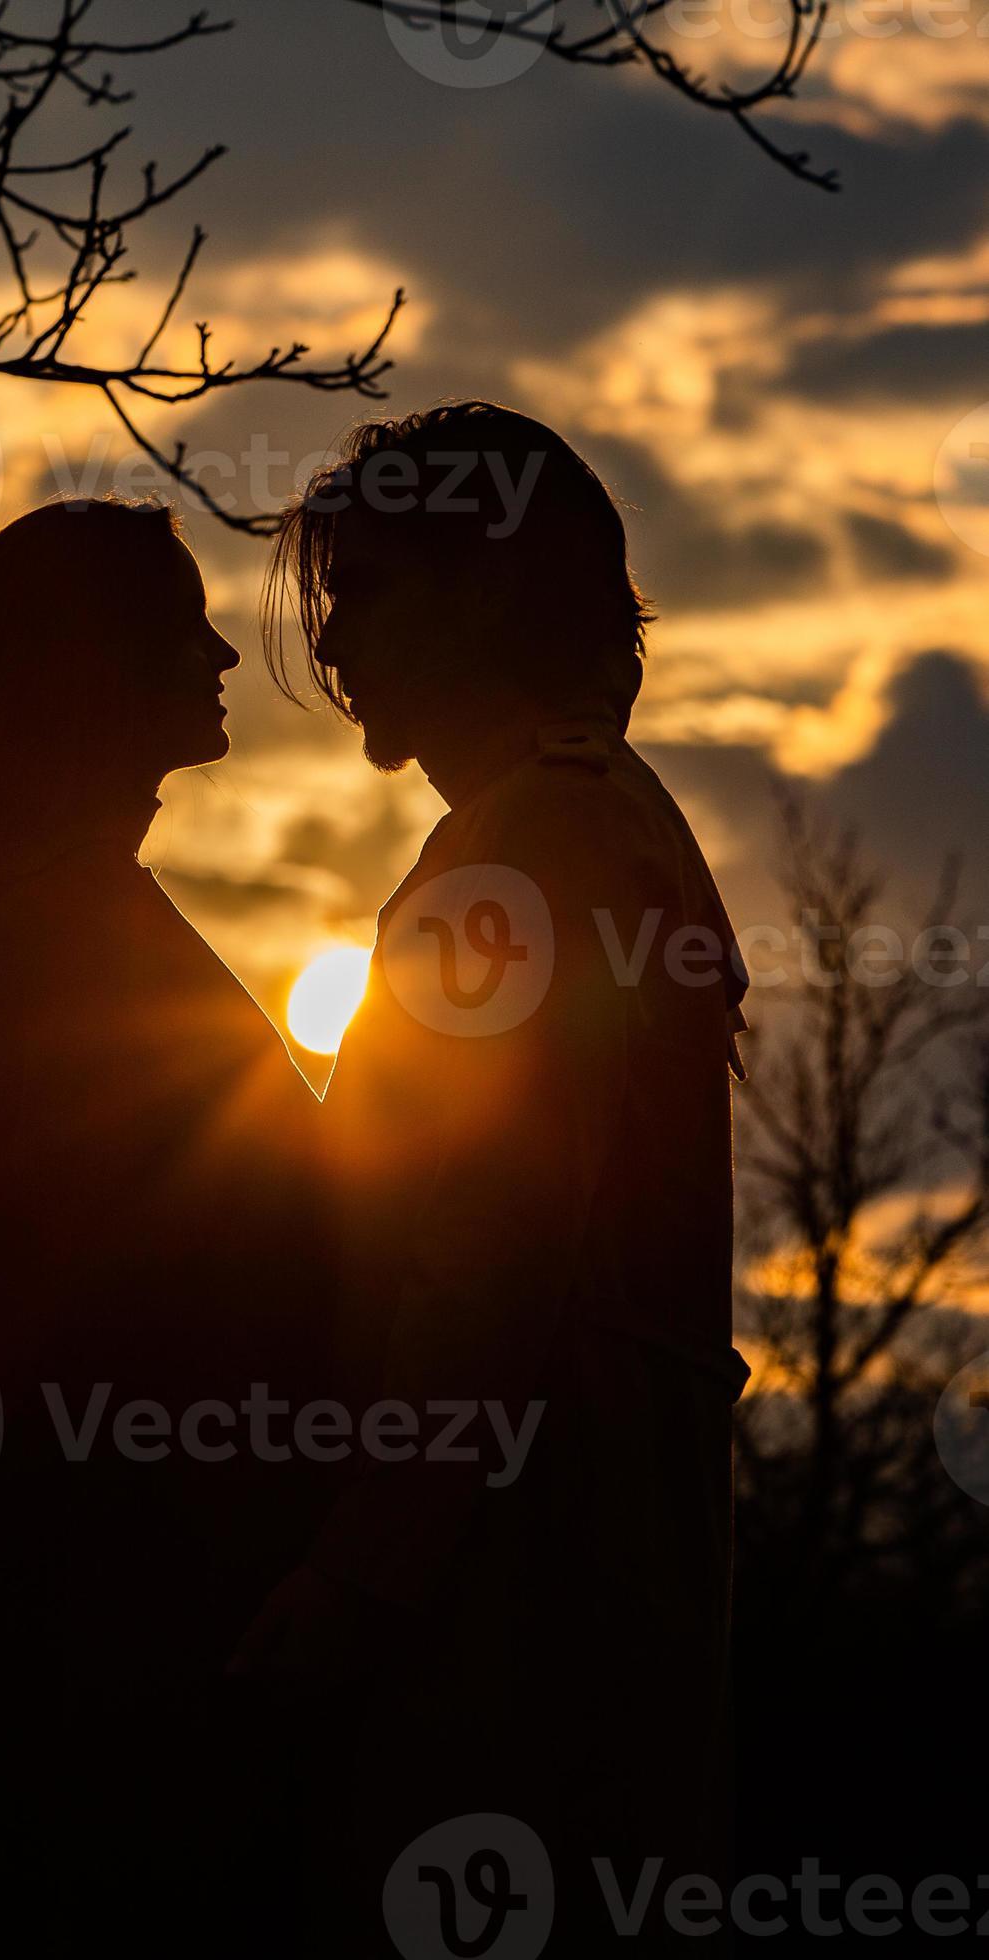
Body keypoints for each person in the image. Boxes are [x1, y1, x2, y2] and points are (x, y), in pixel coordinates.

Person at [243, 402, 752, 1952]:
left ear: (487, 593)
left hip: (516, 1581)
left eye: (375, 588)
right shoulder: (588, 813)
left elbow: (493, 1243)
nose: (335, 642)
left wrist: (354, 1579)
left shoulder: (531, 841)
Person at [0, 499, 323, 1953]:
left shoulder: (49, 920)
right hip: (124, 1625)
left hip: (92, 1602)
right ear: (89, 664)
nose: (218, 654)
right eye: (175, 622)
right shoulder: (63, 939)